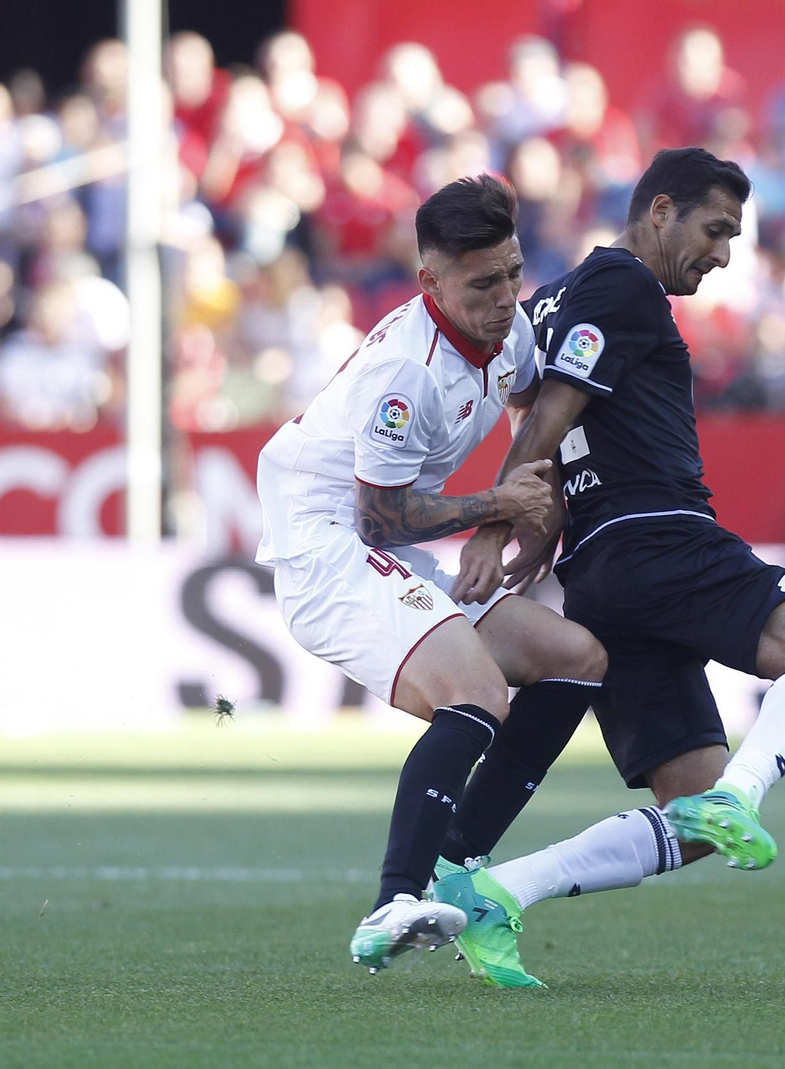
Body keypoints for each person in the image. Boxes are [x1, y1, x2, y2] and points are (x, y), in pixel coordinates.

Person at [433, 148, 785, 949]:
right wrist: (497, 523)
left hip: (601, 572)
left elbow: (536, 410)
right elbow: (552, 413)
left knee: (690, 812)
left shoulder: (553, 300)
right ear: (660, 209)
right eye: (715, 229)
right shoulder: (625, 283)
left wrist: (555, 513)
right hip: (660, 537)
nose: (723, 253)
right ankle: (739, 796)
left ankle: (498, 890)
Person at [253, 174, 608, 985]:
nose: (508, 296)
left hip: (389, 541)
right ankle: (394, 900)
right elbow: (378, 518)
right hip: (327, 543)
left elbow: (530, 410)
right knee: (476, 694)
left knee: (576, 655)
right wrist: (496, 501)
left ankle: (459, 867)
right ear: (430, 283)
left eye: (516, 272)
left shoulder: (508, 330)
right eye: (485, 283)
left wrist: (495, 523)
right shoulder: (404, 374)